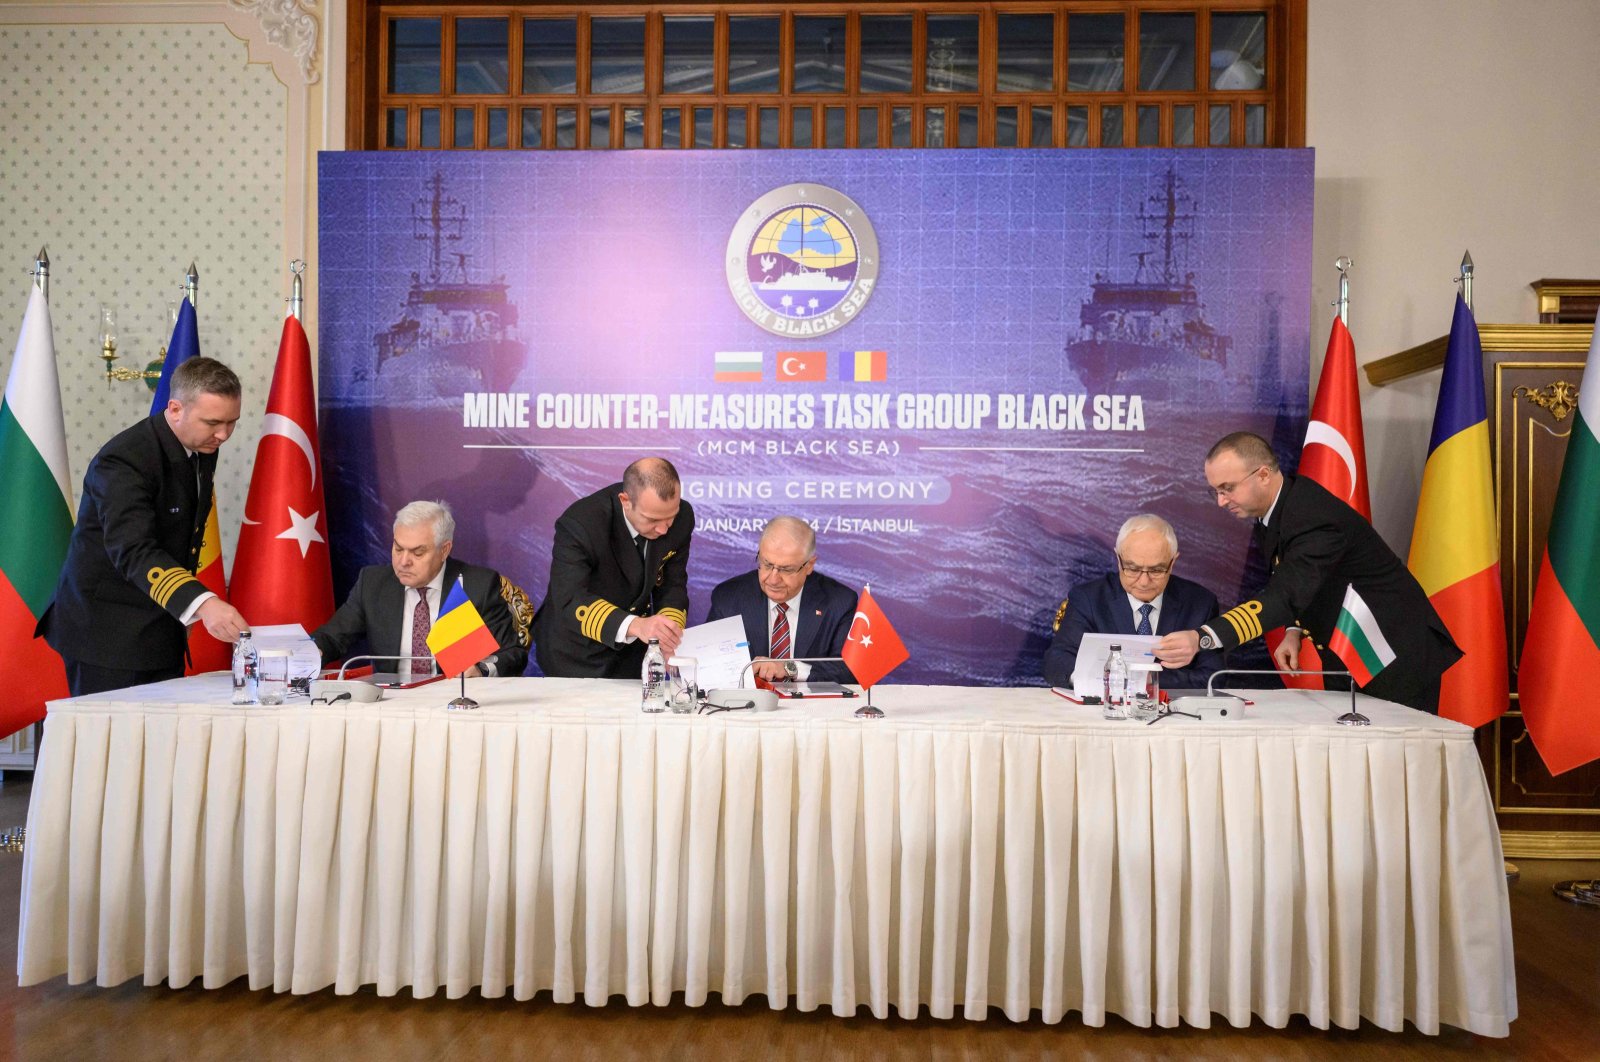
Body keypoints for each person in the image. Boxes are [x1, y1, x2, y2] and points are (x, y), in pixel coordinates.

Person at [1156, 431, 1462, 713]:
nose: (1221, 501)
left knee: (1396, 760)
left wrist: (1204, 638)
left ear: (1263, 474)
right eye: (1215, 492)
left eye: (1227, 488)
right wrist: (1294, 628)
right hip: (1352, 652)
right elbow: (1300, 579)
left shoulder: (1313, 517)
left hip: (1394, 654)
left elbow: (1284, 595)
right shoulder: (1279, 510)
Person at [38, 357, 251, 696]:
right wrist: (202, 604)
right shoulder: (124, 460)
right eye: (213, 422)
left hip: (160, 622)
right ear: (175, 408)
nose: (223, 434)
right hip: (108, 633)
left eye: (232, 422)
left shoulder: (201, 445)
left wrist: (183, 610)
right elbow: (134, 550)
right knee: (114, 745)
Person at [312, 500, 526, 678]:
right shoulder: (373, 583)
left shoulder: (476, 585)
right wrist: (314, 652)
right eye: (398, 548)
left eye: (417, 553)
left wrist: (481, 670)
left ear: (444, 550)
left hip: (454, 705)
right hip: (391, 705)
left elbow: (512, 653)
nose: (403, 561)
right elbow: (332, 637)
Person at [533, 457, 694, 678]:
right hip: (576, 653)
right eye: (652, 520)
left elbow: (672, 584)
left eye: (670, 517)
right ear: (625, 501)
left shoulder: (683, 517)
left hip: (633, 653)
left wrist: (667, 635)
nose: (664, 529)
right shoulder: (581, 524)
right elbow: (570, 598)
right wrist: (638, 626)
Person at [1042, 514, 1224, 690]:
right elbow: (1056, 662)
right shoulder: (1089, 599)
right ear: (1118, 559)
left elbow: (1213, 678)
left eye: (1157, 570)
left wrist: (1138, 679)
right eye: (1132, 568)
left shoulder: (1200, 603)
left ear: (1173, 562)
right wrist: (1096, 681)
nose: (1144, 581)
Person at [707, 516, 858, 685]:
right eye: (766, 564)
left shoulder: (839, 602)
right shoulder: (729, 597)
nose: (772, 579)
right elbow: (710, 666)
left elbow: (850, 672)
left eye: (786, 569)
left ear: (809, 566)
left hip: (814, 708)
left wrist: (790, 668)